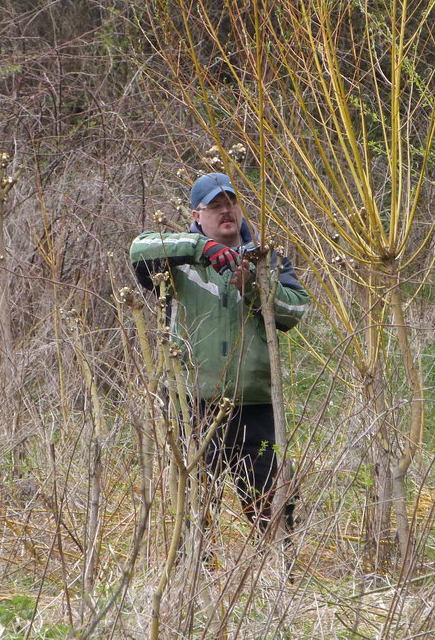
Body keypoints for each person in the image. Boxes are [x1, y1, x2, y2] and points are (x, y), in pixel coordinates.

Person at [130, 172, 310, 534]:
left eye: (231, 202)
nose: (225, 211)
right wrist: (204, 249)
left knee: (272, 505)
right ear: (197, 215)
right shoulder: (178, 256)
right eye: (214, 206)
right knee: (195, 510)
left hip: (256, 404)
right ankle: (196, 570)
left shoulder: (267, 259)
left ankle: (278, 565)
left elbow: (296, 311)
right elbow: (138, 248)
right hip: (193, 403)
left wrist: (255, 287)